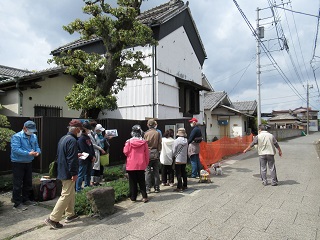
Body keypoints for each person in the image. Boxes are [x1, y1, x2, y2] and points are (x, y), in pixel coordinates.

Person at [44, 120, 83, 229]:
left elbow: (63, 155)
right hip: (68, 172)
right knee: (66, 194)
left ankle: (70, 214)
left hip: (61, 170)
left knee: (70, 192)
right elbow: (71, 159)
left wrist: (76, 155)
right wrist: (74, 173)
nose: (81, 132)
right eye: (80, 129)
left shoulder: (63, 138)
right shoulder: (72, 140)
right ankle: (53, 219)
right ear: (77, 129)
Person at [10, 120, 41, 211]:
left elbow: (37, 147)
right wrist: (28, 153)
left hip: (28, 162)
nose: (31, 132)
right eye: (30, 130)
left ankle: (26, 199)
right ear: (24, 128)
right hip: (18, 162)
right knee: (18, 183)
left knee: (28, 182)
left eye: (32, 130)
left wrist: (38, 152)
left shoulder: (34, 136)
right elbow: (16, 149)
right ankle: (17, 202)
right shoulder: (16, 136)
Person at [123, 125, 149, 203]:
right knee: (141, 181)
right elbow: (147, 154)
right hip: (141, 164)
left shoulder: (128, 142)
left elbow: (125, 152)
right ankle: (144, 197)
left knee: (132, 181)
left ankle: (133, 197)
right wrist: (146, 163)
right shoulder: (144, 142)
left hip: (131, 164)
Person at [76, 121, 96, 192]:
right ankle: (78, 188)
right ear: (85, 129)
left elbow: (91, 147)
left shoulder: (88, 137)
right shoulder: (81, 139)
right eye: (88, 129)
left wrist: (93, 155)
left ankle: (87, 185)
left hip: (89, 158)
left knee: (88, 173)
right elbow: (84, 150)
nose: (89, 130)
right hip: (83, 159)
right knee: (81, 174)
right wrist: (91, 157)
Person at [144, 119, 162, 193]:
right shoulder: (157, 133)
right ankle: (157, 188)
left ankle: (148, 188)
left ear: (148, 125)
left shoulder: (146, 133)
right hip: (155, 153)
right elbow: (159, 143)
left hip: (148, 153)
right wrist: (158, 151)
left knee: (147, 171)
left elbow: (144, 144)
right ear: (155, 125)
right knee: (156, 171)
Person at [89, 121, 106, 186]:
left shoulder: (95, 134)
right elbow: (93, 144)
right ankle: (92, 181)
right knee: (94, 167)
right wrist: (101, 149)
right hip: (94, 152)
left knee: (97, 167)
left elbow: (98, 142)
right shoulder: (90, 134)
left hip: (98, 151)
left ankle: (96, 181)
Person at [172, 128, 188, 192]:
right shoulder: (186, 140)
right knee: (183, 172)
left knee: (178, 173)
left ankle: (179, 187)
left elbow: (173, 151)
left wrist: (172, 156)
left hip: (178, 159)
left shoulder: (176, 141)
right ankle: (185, 185)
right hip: (184, 158)